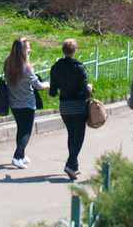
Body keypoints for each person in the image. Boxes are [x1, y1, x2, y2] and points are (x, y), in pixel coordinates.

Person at [48, 38, 91, 180]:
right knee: (79, 137)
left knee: (71, 135)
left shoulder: (55, 67)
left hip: (64, 107)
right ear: (75, 51)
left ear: (63, 50)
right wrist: (89, 88)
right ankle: (70, 163)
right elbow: (84, 91)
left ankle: (75, 166)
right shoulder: (79, 67)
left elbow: (53, 92)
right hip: (78, 106)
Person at [4, 36, 49, 169]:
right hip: (27, 104)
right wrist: (47, 84)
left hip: (13, 102)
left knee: (20, 129)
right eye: (28, 48)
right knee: (26, 132)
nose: (29, 50)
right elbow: (38, 86)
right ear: (23, 50)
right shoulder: (26, 68)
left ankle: (22, 155)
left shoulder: (8, 62)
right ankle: (17, 157)